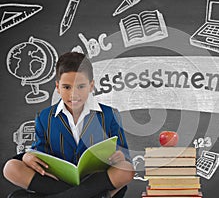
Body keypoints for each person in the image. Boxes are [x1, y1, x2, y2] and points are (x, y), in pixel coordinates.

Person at [3, 52, 134, 198]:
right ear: (58, 87)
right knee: (11, 167)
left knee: (126, 169)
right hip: (57, 181)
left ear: (91, 86)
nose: (73, 94)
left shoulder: (110, 114)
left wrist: (120, 156)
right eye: (67, 87)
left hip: (95, 180)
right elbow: (40, 152)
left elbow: (125, 155)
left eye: (81, 86)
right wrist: (27, 157)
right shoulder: (45, 117)